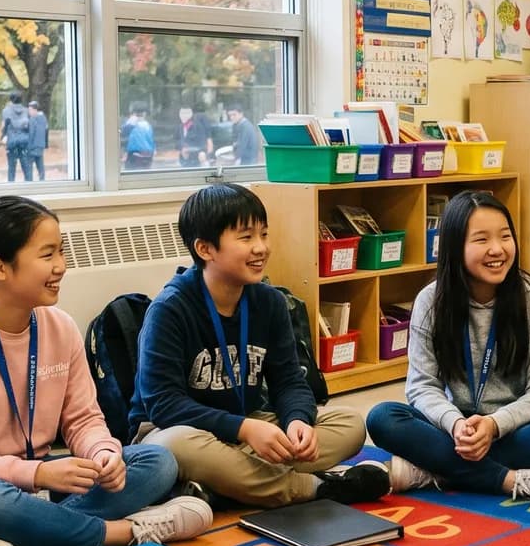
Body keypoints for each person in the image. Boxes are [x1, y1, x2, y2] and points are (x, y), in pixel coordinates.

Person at [0, 197, 212, 546]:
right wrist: (36, 474)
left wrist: (103, 453)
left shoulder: (59, 326)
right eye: (47, 255)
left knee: (158, 461)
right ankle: (123, 533)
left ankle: (25, 543)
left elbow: (83, 419)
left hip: (44, 487)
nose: (61, 266)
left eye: (61, 251)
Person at [134, 184, 388, 508]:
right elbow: (164, 405)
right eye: (246, 238)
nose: (261, 248)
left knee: (350, 425)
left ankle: (222, 485)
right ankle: (312, 487)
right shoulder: (170, 309)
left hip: (247, 427)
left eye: (264, 235)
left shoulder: (270, 302)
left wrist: (297, 420)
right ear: (205, 249)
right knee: (173, 447)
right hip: (182, 431)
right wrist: (244, 428)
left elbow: (288, 380)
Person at [367, 192, 530, 500]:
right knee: (382, 417)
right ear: (455, 247)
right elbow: (421, 386)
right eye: (481, 240)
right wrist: (455, 425)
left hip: (512, 429)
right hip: (453, 429)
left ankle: (433, 472)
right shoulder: (431, 300)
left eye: (505, 236)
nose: (497, 249)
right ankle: (508, 481)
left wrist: (494, 425)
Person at [0, 97, 33, 183]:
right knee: (26, 167)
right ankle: (29, 187)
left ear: (11, 100)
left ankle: (11, 187)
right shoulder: (26, 111)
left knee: (11, 167)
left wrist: (3, 135)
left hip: (12, 142)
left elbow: (4, 126)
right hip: (24, 141)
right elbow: (30, 126)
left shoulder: (6, 111)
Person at [123, 104, 154, 170]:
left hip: (134, 155)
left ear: (133, 114)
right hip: (148, 154)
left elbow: (123, 132)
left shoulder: (131, 124)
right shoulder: (147, 125)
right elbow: (151, 141)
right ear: (144, 114)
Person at [25, 100, 47, 180]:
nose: (29, 112)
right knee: (40, 167)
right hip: (41, 145)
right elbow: (45, 131)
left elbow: (31, 134)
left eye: (30, 110)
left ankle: (29, 184)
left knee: (29, 167)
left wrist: (28, 147)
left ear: (35, 110)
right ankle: (42, 182)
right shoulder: (43, 118)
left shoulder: (32, 119)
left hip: (33, 147)